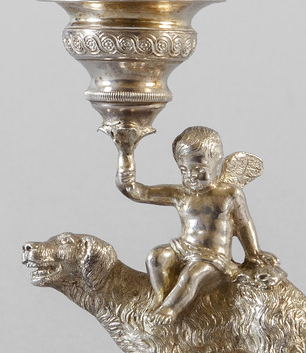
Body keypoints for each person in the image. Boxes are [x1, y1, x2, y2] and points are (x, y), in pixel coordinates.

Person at [113, 125, 276, 324]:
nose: (191, 175)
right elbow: (136, 191)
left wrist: (253, 253)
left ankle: (170, 310)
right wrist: (126, 153)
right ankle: (162, 299)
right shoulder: (181, 194)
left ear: (216, 164)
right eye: (184, 170)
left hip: (214, 258)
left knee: (192, 274)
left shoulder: (229, 195)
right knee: (156, 257)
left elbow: (243, 225)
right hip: (183, 249)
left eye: (199, 169)